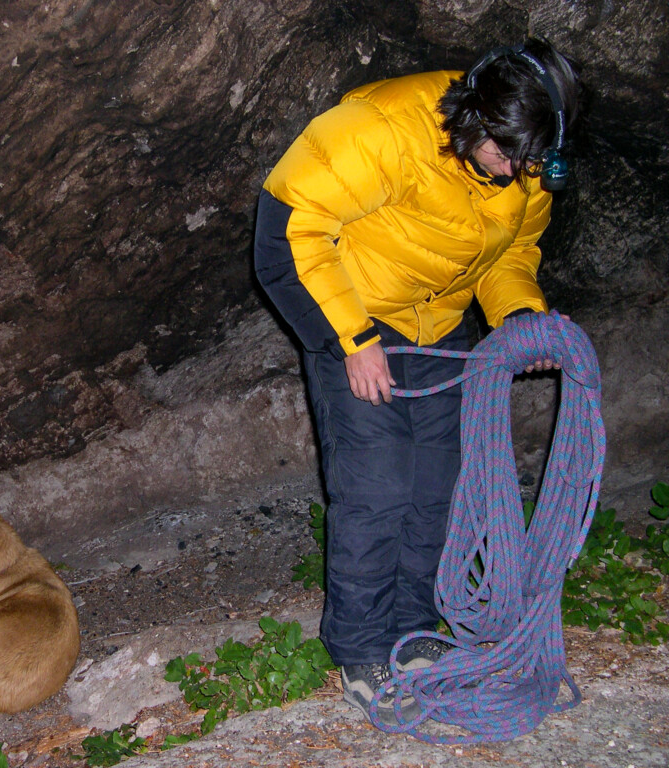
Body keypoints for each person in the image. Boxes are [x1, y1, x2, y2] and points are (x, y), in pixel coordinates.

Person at [253, 39, 585, 726]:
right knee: (378, 486)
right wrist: (353, 338)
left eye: (528, 162)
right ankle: (362, 647)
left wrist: (523, 318)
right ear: (473, 120)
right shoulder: (382, 130)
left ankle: (412, 628)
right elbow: (288, 230)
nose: (514, 172)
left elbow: (513, 252)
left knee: (440, 482)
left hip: (440, 323)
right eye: (504, 156)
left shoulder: (521, 161)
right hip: (355, 309)